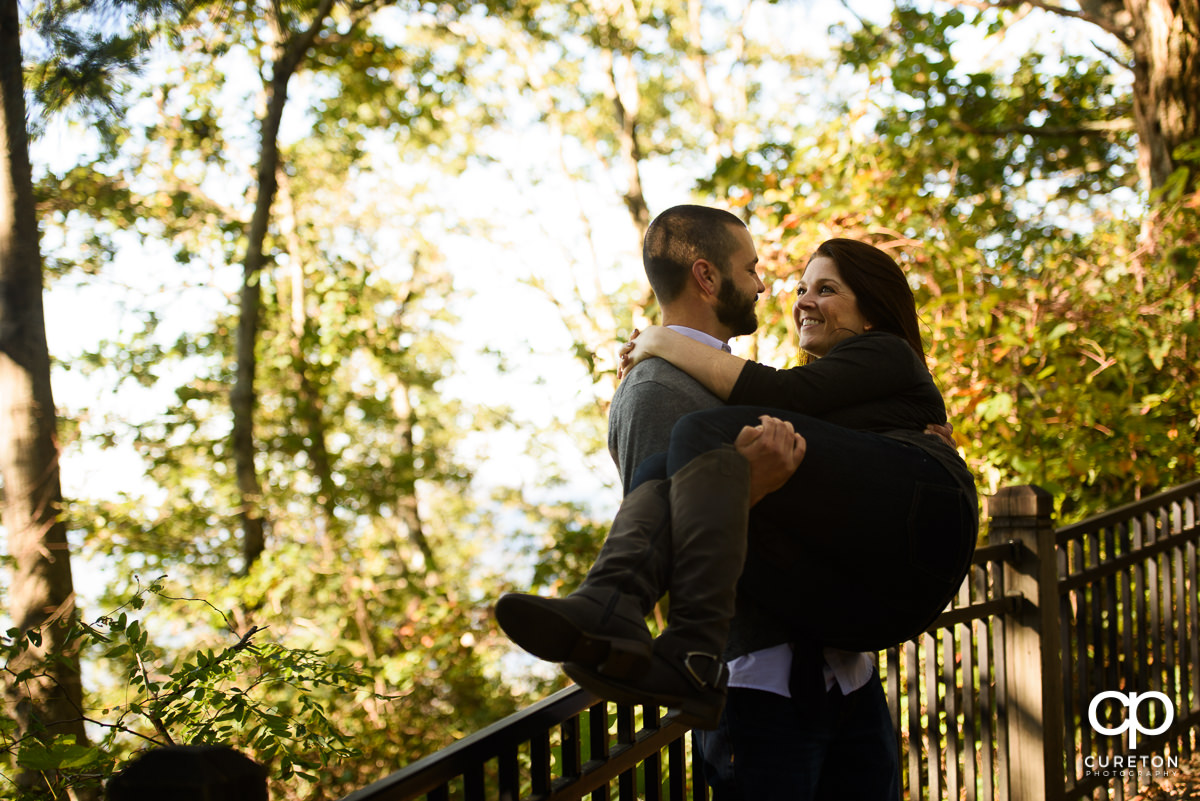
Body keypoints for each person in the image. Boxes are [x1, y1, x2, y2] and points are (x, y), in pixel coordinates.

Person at [495, 207, 977, 798]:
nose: (771, 288)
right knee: (685, 449)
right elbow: (671, 538)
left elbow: (793, 415)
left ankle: (615, 607)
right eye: (756, 271)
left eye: (823, 288)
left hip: (843, 669)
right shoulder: (657, 387)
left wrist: (659, 340)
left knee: (702, 439)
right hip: (762, 686)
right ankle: (619, 610)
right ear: (706, 276)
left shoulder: (830, 367)